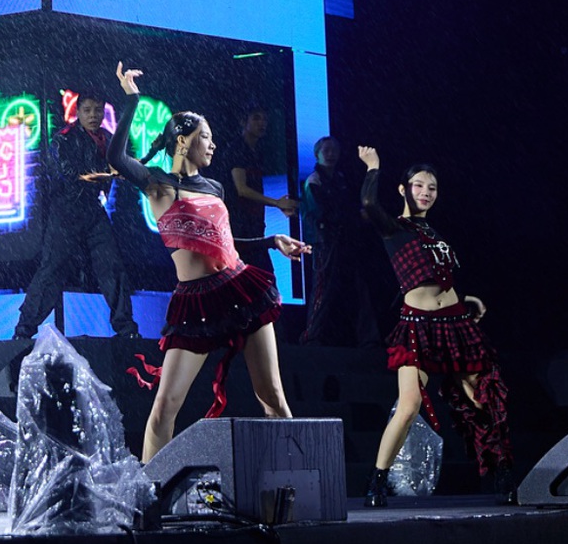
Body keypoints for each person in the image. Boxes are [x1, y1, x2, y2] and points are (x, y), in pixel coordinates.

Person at [108, 64, 309, 462]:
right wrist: (131, 101)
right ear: (183, 141)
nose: (213, 146)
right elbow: (116, 155)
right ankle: (150, 492)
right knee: (165, 408)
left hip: (240, 288)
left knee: (272, 396)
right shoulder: (157, 183)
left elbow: (223, 244)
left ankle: (297, 476)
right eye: (206, 137)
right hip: (195, 303)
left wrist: (271, 241)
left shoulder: (214, 187)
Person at [358, 148, 510, 503]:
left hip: (455, 322)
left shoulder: (433, 232)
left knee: (483, 400)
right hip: (418, 326)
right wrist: (373, 168)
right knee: (408, 406)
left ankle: (502, 476)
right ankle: (376, 482)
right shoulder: (393, 227)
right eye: (418, 185)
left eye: (432, 188)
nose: (425, 192)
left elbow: (439, 277)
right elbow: (368, 203)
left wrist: (465, 299)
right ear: (403, 189)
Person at [16, 89, 137, 340]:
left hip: (92, 210)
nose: (93, 115)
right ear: (78, 112)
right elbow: (68, 174)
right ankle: (24, 329)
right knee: (52, 270)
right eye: (87, 110)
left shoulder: (108, 139)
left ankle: (126, 329)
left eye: (97, 110)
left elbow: (125, 164)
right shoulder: (64, 139)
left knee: (111, 266)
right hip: (66, 211)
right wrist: (107, 174)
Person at [298, 137, 375, 347]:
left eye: (334, 150)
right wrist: (355, 216)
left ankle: (368, 338)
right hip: (325, 243)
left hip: (345, 240)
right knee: (323, 290)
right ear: (317, 154)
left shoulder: (339, 178)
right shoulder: (314, 181)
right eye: (326, 150)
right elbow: (322, 213)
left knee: (357, 288)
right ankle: (311, 336)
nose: (331, 154)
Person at [215, 105, 296, 260]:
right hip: (239, 227)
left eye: (265, 119)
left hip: (254, 224)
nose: (262, 123)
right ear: (243, 122)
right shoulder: (237, 149)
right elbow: (242, 189)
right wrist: (277, 203)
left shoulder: (256, 151)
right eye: (256, 118)